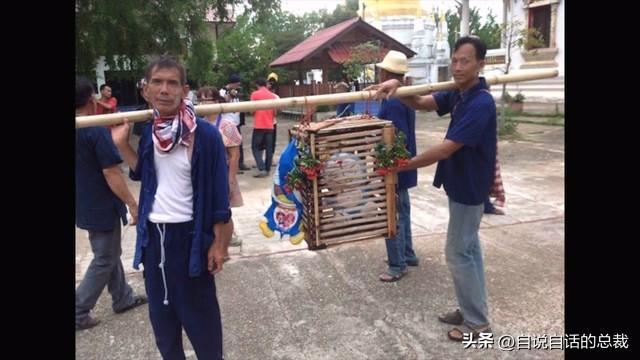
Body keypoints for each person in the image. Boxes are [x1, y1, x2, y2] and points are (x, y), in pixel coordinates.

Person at [369, 36, 495, 341]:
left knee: (457, 252)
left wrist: (402, 165)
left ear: (481, 64)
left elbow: (444, 150)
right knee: (469, 250)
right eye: (454, 60)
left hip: (470, 185)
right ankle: (471, 309)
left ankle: (477, 323)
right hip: (460, 183)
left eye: (465, 61)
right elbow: (423, 103)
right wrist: (398, 90)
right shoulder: (460, 93)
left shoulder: (480, 102)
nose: (458, 66)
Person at [111, 57, 230, 359]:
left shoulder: (205, 135)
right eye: (157, 82)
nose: (164, 89)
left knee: (203, 328)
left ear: (184, 90)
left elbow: (219, 197)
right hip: (153, 239)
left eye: (172, 83)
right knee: (164, 328)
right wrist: (123, 146)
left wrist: (219, 244)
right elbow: (144, 174)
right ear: (146, 90)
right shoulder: (151, 132)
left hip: (190, 239)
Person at [75, 76, 147, 331]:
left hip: (85, 203)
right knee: (105, 258)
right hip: (100, 205)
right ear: (91, 99)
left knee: (108, 253)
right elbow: (111, 173)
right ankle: (78, 309)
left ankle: (122, 297)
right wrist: (132, 203)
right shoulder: (94, 131)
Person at [373, 51, 420, 283]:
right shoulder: (405, 95)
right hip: (405, 165)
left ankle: (397, 264)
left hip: (396, 168)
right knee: (403, 212)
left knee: (393, 215)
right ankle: (408, 254)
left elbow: (395, 138)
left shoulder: (393, 101)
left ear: (386, 73)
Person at [198, 86, 244, 252]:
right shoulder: (196, 124)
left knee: (224, 212)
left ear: (217, 102)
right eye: (201, 100)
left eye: (207, 100)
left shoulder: (227, 125)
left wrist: (230, 180)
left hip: (222, 175)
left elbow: (234, 155)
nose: (203, 104)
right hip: (203, 175)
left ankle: (224, 248)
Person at [221, 74, 251, 172]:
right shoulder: (222, 92)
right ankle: (232, 166)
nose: (238, 86)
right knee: (229, 146)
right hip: (227, 122)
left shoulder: (236, 92)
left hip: (236, 122)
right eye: (237, 84)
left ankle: (240, 163)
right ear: (232, 84)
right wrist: (230, 94)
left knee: (239, 143)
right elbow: (223, 102)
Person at [250, 77, 278, 178]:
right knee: (269, 149)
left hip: (259, 125)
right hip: (270, 125)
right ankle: (267, 169)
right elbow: (275, 113)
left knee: (255, 147)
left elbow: (252, 111)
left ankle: (261, 168)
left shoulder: (255, 94)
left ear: (257, 85)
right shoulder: (272, 96)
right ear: (266, 85)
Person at [266, 77, 280, 156]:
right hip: (272, 122)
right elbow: (275, 113)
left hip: (262, 122)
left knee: (262, 142)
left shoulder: (259, 95)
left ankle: (260, 159)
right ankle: (270, 159)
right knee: (271, 141)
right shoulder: (276, 97)